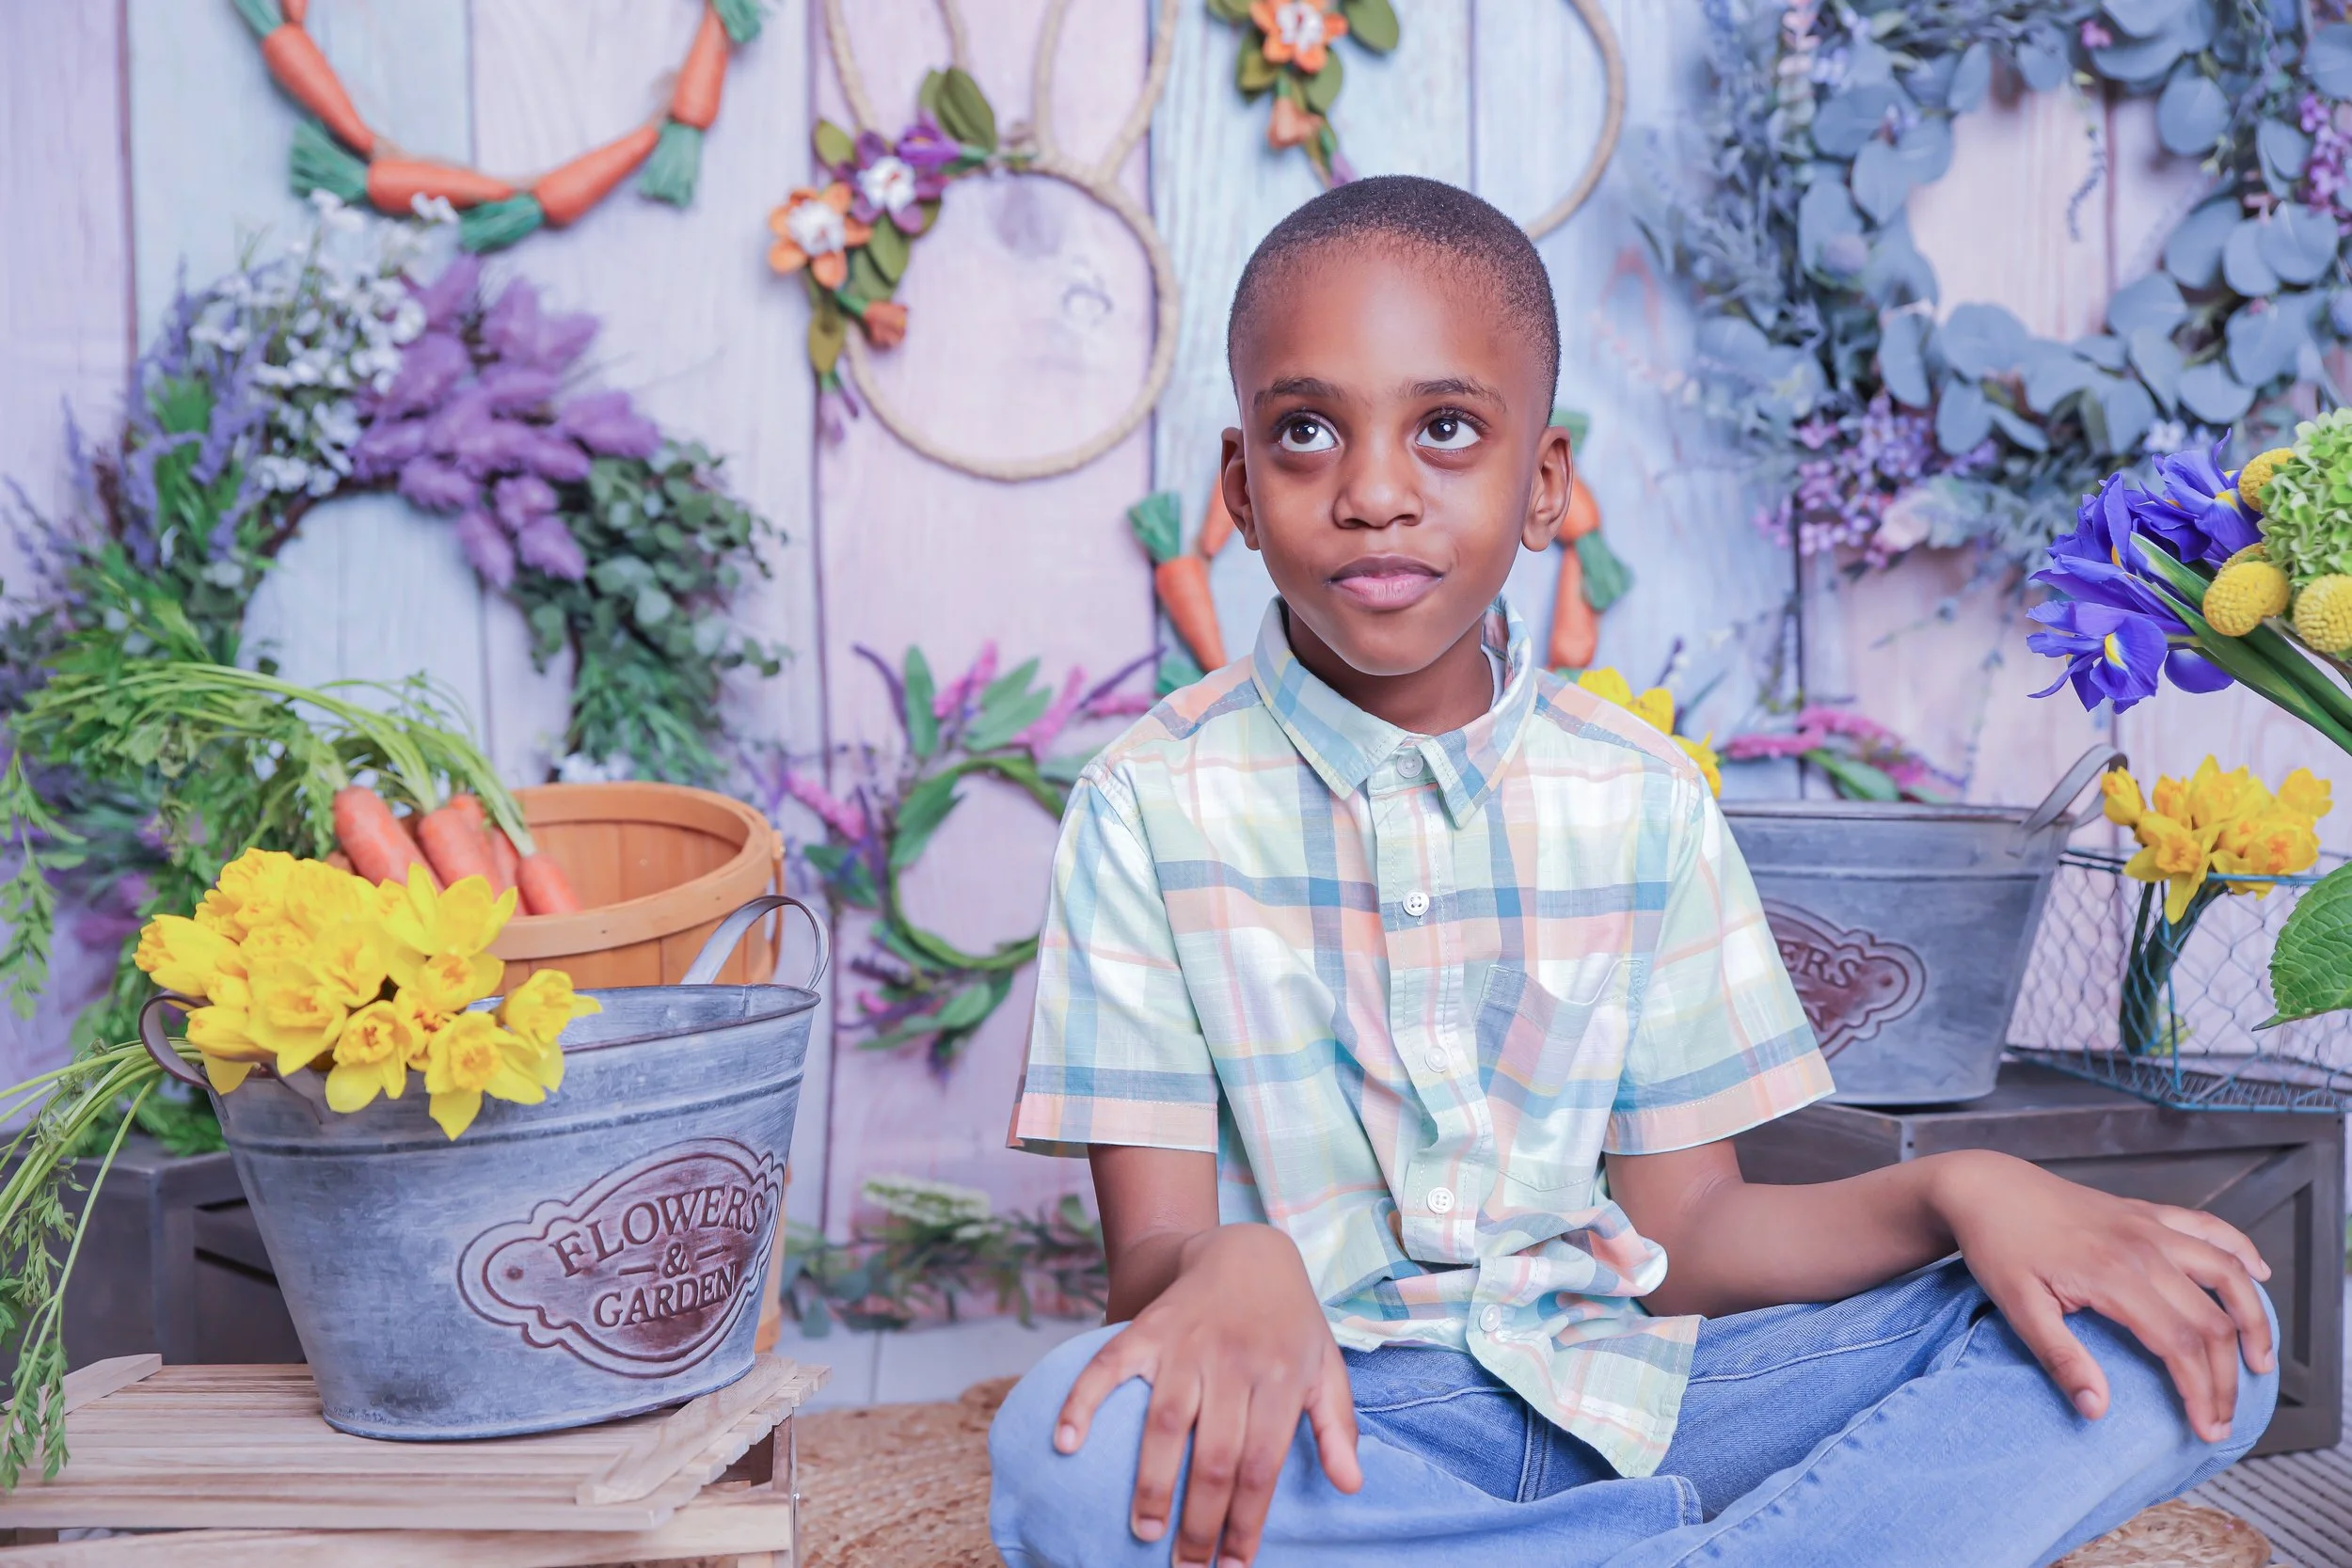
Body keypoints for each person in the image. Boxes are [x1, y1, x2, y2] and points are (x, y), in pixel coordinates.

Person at [987, 175, 2276, 1568]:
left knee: (2194, 1330)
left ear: (1543, 485)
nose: (1372, 491)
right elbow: (1150, 1259)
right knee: (1062, 1445)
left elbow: (1697, 1228)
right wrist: (1232, 1263)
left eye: (1446, 430)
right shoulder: (1144, 805)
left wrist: (1958, 1185)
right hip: (1334, 1416)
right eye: (1307, 433)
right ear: (1241, 490)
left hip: (1646, 1393)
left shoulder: (1641, 797)